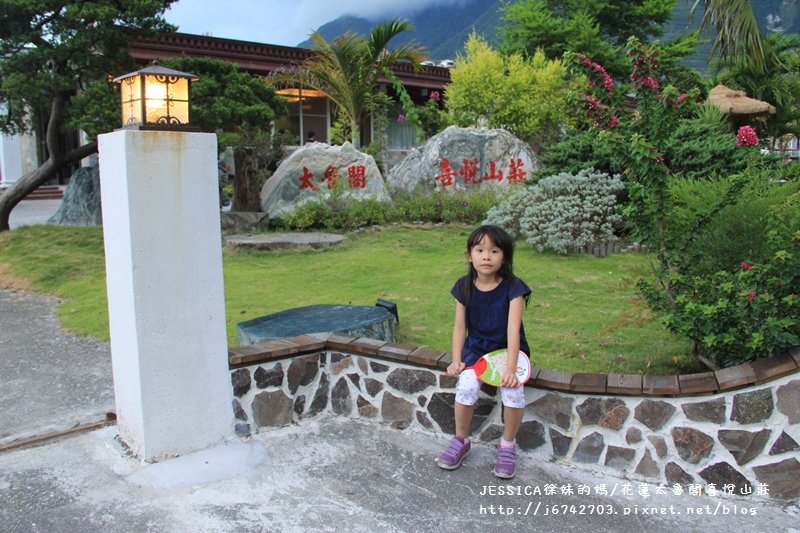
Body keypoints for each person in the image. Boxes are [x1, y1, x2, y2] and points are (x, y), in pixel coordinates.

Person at [437, 225, 531, 479]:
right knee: (466, 385)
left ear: (505, 256)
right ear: (470, 255)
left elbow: (513, 331)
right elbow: (459, 327)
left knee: (513, 390)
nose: (486, 256)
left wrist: (511, 369)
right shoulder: (463, 286)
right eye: (479, 250)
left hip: (508, 351)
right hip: (476, 350)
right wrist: (457, 360)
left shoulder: (514, 289)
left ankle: (507, 446)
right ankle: (461, 440)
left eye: (494, 250)